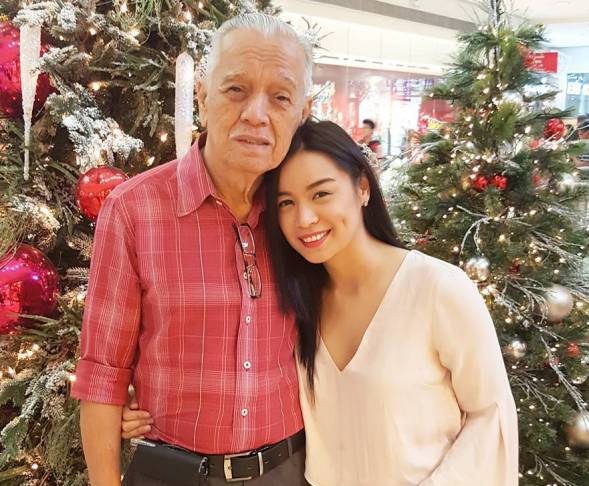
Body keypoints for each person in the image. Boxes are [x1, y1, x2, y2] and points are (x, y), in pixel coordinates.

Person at [125, 120, 519, 485]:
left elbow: (491, 416)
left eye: (321, 194)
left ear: (362, 187)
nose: (305, 218)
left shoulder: (436, 288)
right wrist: (144, 402)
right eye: (286, 203)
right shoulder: (299, 299)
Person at [71, 13, 313, 486]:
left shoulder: (307, 217)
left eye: (280, 97)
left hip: (289, 469)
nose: (256, 114)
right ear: (202, 97)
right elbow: (102, 373)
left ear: (302, 113)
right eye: (236, 90)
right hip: (174, 473)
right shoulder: (134, 210)